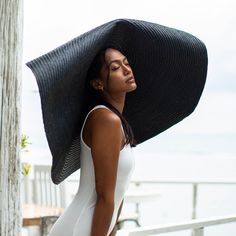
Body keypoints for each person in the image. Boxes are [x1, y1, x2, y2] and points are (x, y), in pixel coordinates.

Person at [49, 47, 137, 236]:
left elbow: (117, 195)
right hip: (77, 229)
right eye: (115, 68)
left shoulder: (116, 121)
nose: (127, 70)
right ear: (98, 83)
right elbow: (105, 197)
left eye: (127, 63)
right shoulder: (106, 120)